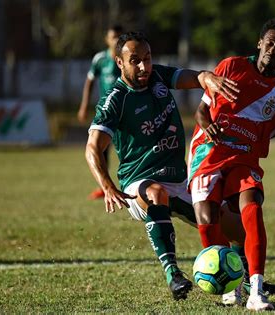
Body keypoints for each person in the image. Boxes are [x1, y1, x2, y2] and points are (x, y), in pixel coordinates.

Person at [84, 31, 240, 301]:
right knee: (157, 193)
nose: (144, 66)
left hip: (178, 181)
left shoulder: (157, 76)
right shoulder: (115, 100)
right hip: (138, 183)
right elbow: (92, 148)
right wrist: (107, 186)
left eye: (147, 58)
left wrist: (206, 77)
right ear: (119, 63)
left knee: (237, 229)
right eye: (135, 61)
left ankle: (247, 281)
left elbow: (191, 77)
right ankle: (173, 275)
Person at [187, 18, 275, 311]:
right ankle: (230, 285)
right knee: (206, 218)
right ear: (260, 43)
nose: (272, 49)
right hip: (208, 153)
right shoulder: (231, 67)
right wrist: (207, 127)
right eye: (269, 43)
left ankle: (256, 290)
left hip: (244, 158)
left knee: (252, 205)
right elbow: (201, 111)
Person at [78, 24, 124, 200]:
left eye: (119, 37)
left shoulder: (127, 58)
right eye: (113, 37)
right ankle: (104, 186)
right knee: (101, 149)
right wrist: (83, 106)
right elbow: (89, 82)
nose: (116, 41)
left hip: (125, 109)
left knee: (126, 146)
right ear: (107, 39)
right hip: (106, 112)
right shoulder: (100, 59)